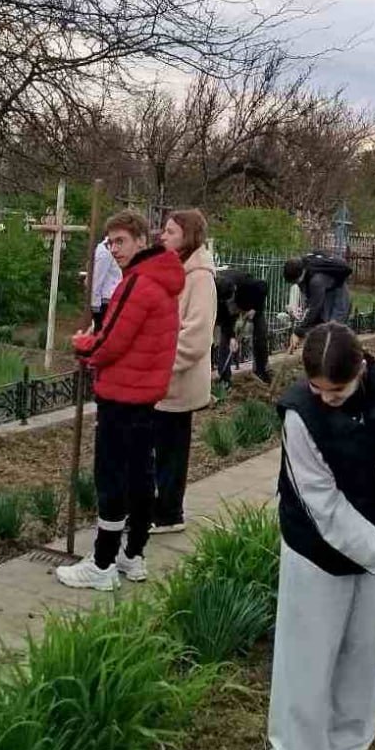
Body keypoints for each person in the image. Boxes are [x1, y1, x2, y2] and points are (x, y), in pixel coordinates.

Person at [268, 322, 375, 750]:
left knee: (366, 652)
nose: (326, 397)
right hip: (315, 549)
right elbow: (326, 508)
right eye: (317, 388)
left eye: (336, 389)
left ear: (360, 367)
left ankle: (348, 744)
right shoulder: (300, 414)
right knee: (308, 657)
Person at [58, 210, 183, 589]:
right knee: (141, 474)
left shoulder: (137, 284)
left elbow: (111, 341)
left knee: (111, 476)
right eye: (110, 242)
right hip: (146, 395)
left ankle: (102, 562)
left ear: (143, 240)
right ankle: (133, 555)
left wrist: (84, 348)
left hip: (122, 394)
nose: (114, 250)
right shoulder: (163, 280)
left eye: (122, 241)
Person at [152, 210, 216, 535]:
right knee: (160, 447)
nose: (163, 236)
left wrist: (161, 364)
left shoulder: (200, 276)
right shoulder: (175, 271)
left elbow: (197, 335)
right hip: (163, 380)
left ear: (188, 236)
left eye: (171, 231)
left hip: (178, 381)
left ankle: (169, 513)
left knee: (172, 451)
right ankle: (157, 505)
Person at [284, 252, 353, 352]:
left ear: (300, 275)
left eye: (295, 282)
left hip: (338, 298)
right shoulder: (304, 269)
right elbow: (311, 304)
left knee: (333, 331)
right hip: (328, 293)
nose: (296, 285)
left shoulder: (316, 281)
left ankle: (345, 358)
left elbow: (315, 308)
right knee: (322, 329)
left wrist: (298, 332)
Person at [214, 268, 272, 385]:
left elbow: (263, 287)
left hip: (251, 304)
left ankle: (261, 371)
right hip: (228, 308)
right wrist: (231, 337)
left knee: (261, 334)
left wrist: (255, 309)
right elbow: (224, 320)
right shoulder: (218, 293)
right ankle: (225, 378)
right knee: (226, 340)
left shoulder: (249, 284)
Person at [90, 234, 123, 331]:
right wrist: (95, 306)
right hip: (105, 301)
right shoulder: (105, 251)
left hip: (112, 299)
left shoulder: (113, 248)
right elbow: (97, 279)